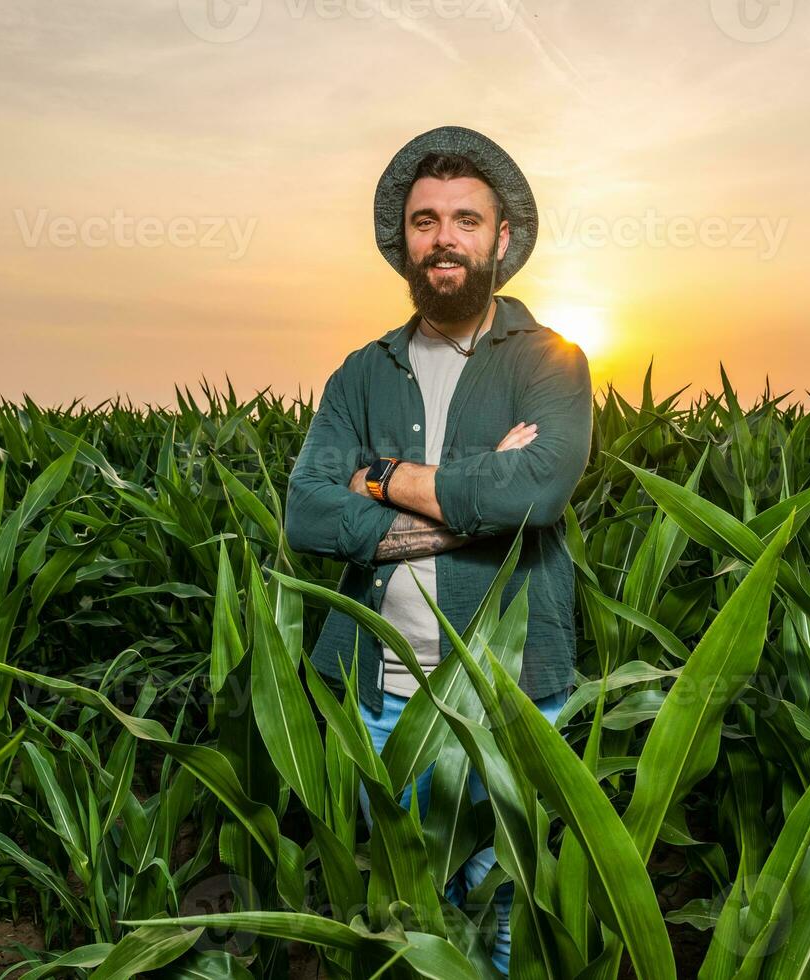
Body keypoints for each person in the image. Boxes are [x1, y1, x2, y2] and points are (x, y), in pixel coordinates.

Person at [283, 124, 593, 974]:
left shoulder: (549, 362)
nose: (443, 238)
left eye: (464, 220)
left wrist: (377, 475)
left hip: (513, 700)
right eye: (425, 222)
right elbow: (306, 515)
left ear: (500, 238)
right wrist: (474, 495)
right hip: (376, 701)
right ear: (404, 243)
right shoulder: (361, 373)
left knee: (501, 922)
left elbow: (533, 494)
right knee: (399, 917)